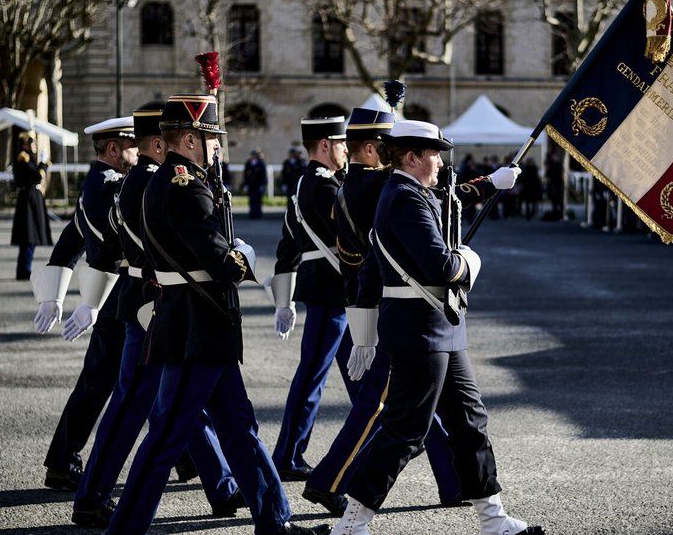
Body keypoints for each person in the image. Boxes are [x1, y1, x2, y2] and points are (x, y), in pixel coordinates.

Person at [107, 93, 328, 535]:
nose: (218, 149)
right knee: (167, 436)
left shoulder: (171, 181)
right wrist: (244, 253)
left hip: (199, 325)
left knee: (239, 427)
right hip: (197, 327)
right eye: (212, 140)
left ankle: (275, 522)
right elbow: (224, 265)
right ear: (190, 140)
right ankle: (125, 529)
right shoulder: (185, 187)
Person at [302, 105, 520, 517]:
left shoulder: (360, 185)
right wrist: (487, 189)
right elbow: (421, 218)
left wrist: (489, 184)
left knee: (439, 414)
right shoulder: (376, 186)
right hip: (406, 312)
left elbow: (435, 202)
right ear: (375, 149)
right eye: (385, 146)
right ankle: (331, 484)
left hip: (402, 311)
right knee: (389, 416)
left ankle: (462, 489)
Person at [68, 103, 243, 527]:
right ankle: (92, 496)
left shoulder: (141, 180)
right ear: (160, 144)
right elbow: (162, 249)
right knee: (137, 405)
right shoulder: (151, 182)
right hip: (153, 299)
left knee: (187, 401)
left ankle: (221, 484)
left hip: (152, 297)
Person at [29, 117, 136, 491]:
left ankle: (62, 460)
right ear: (114, 149)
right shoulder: (110, 187)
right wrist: (87, 302)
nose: (139, 152)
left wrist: (54, 295)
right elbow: (108, 251)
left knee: (107, 382)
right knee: (121, 383)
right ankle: (64, 462)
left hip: (112, 297)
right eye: (133, 146)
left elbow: (71, 238)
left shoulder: (98, 183)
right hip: (120, 297)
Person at [271, 116, 362, 481]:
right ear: (325, 145)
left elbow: (287, 245)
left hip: (335, 293)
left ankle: (378, 436)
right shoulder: (323, 187)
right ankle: (288, 456)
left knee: (362, 376)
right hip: (331, 292)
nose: (347, 151)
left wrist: (284, 301)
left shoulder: (306, 184)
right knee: (312, 376)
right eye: (342, 145)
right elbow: (350, 235)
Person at [11, 131, 52, 279]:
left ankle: (24, 268)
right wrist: (43, 164)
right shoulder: (23, 158)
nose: (35, 145)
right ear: (25, 145)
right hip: (28, 201)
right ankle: (24, 269)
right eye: (32, 143)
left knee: (31, 237)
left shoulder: (29, 158)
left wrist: (40, 164)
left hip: (32, 199)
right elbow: (37, 176)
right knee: (28, 236)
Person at [245, 149, 269, 219]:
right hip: (251, 185)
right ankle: (252, 213)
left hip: (258, 185)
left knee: (258, 200)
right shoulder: (248, 163)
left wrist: (263, 184)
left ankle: (258, 213)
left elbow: (263, 175)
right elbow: (245, 175)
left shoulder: (261, 163)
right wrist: (246, 184)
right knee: (251, 199)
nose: (253, 156)